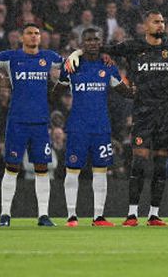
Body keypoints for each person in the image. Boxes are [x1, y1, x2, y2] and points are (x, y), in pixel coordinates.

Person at [73, 8, 168, 226]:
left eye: (163, 21)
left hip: (166, 114)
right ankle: (132, 214)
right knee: (138, 163)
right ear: (145, 25)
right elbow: (97, 48)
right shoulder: (133, 47)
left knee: (160, 165)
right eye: (156, 21)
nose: (161, 25)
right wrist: (76, 53)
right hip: (142, 114)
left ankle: (154, 214)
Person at [55, 27, 133, 226]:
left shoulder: (108, 66)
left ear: (101, 42)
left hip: (101, 128)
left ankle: (98, 216)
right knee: (72, 170)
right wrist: (65, 66)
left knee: (100, 171)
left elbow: (125, 91)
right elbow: (56, 92)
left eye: (95, 40)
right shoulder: (73, 64)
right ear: (82, 43)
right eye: (88, 40)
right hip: (77, 127)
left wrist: (147, 89)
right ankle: (71, 216)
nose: (92, 43)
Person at [0, 22, 63, 226]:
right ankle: (5, 214)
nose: (33, 36)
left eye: (36, 33)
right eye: (29, 33)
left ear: (40, 38)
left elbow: (70, 65)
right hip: (17, 121)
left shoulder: (49, 57)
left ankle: (43, 215)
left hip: (41, 123)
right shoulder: (11, 57)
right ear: (21, 37)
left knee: (42, 167)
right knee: (12, 167)